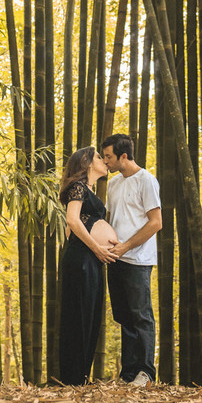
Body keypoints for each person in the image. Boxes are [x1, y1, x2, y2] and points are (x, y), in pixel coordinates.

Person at [100, 133, 162, 386]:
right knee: (124, 317)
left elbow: (156, 223)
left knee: (141, 316)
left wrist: (125, 247)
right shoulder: (114, 184)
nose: (105, 162)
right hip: (115, 259)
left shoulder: (146, 181)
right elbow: (110, 221)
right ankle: (129, 374)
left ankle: (145, 373)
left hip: (138, 259)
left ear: (123, 156)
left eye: (108, 157)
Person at [57, 146, 118, 385]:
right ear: (88, 163)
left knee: (89, 315)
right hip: (83, 258)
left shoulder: (88, 189)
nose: (104, 161)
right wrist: (95, 247)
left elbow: (69, 229)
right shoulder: (79, 187)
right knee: (79, 315)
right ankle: (73, 379)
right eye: (99, 157)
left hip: (89, 258)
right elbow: (71, 220)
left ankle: (80, 377)